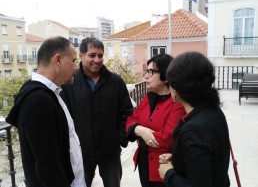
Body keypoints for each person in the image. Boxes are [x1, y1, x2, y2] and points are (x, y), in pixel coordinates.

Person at [6, 36, 87, 187]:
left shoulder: (50, 94)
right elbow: (47, 167)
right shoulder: (37, 100)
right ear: (58, 60)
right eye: (73, 61)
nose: (76, 67)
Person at [60, 37, 134, 187]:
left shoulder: (115, 81)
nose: (97, 60)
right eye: (92, 55)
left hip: (110, 151)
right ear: (81, 56)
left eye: (100, 55)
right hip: (81, 152)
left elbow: (126, 111)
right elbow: (64, 116)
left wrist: (119, 137)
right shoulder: (69, 82)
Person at [159, 51, 230, 187]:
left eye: (170, 83)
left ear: (177, 89)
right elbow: (209, 156)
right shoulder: (213, 111)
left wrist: (168, 174)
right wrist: (178, 157)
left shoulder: (194, 129)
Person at [126, 53, 185, 187]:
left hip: (163, 168)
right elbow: (130, 120)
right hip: (144, 163)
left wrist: (139, 132)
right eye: (146, 71)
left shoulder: (177, 102)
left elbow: (166, 138)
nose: (146, 76)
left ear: (165, 76)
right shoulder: (148, 97)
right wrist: (140, 130)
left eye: (151, 72)